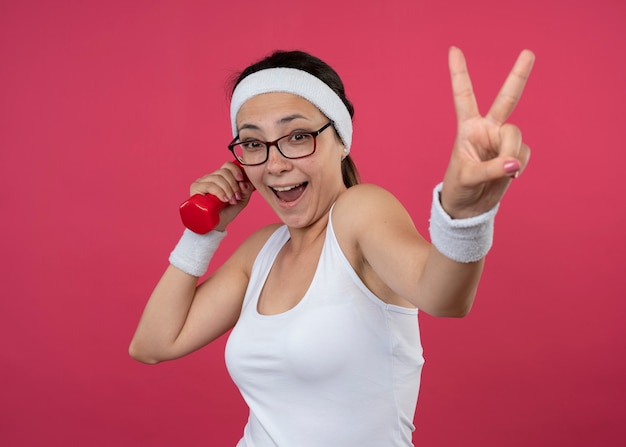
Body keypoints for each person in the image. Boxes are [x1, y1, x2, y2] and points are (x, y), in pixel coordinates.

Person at [129, 47, 535, 446]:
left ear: (341, 142)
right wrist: (202, 232)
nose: (274, 164)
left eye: (298, 136)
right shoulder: (261, 252)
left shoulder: (359, 213)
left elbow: (445, 298)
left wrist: (464, 216)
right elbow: (152, 345)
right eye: (253, 144)